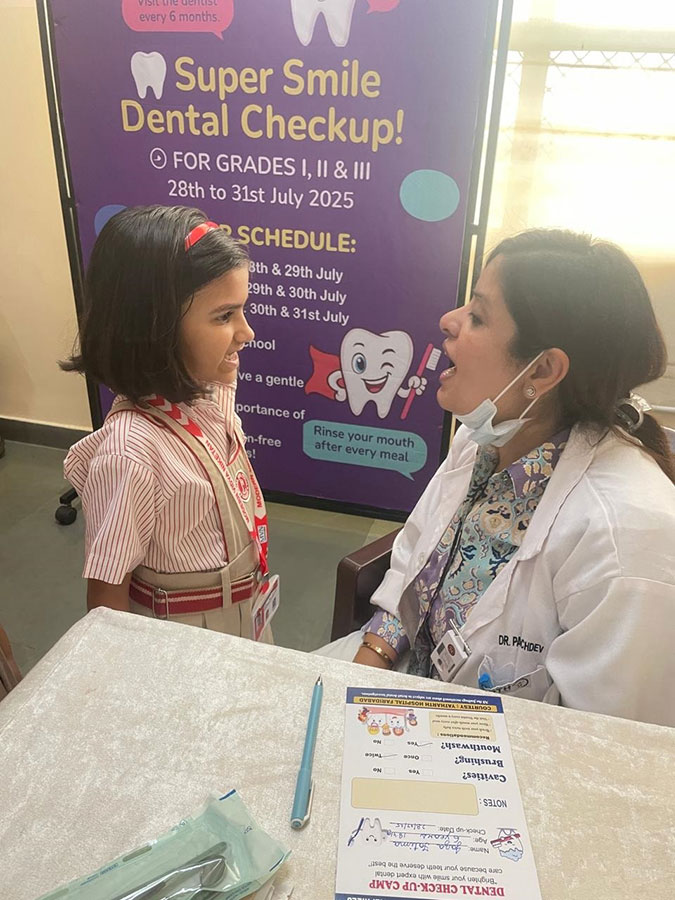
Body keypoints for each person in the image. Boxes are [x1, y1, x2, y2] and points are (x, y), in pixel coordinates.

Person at [320, 229, 675, 727]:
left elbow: (599, 745)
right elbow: (411, 570)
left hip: (499, 756)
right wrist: (364, 672)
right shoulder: (484, 440)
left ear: (543, 370)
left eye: (478, 316)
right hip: (404, 694)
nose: (449, 321)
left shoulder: (627, 536)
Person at [62, 205, 273, 639]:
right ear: (153, 326)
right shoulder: (130, 453)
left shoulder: (211, 396)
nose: (246, 332)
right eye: (224, 315)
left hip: (241, 611)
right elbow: (107, 601)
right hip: (182, 636)